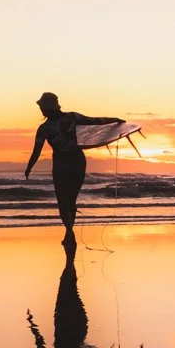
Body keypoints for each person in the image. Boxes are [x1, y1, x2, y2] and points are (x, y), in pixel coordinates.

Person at [24, 92, 122, 245]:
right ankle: (69, 231)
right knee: (66, 201)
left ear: (48, 107)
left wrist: (114, 121)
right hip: (70, 161)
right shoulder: (54, 124)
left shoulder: (59, 122)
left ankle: (69, 232)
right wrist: (29, 167)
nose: (41, 110)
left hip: (68, 162)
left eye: (42, 107)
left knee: (66, 201)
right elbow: (36, 151)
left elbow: (94, 121)